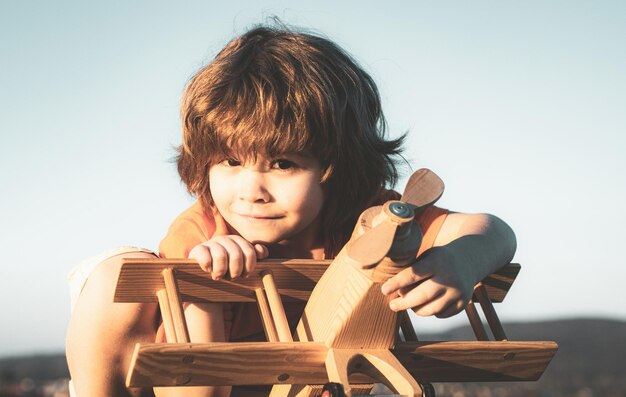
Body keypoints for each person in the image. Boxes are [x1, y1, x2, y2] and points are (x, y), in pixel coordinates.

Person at [65, 24, 516, 397]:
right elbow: (190, 366)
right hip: (184, 381)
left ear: (338, 167)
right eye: (230, 161)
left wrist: (462, 259)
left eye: (283, 163)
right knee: (120, 275)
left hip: (294, 378)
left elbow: (492, 231)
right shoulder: (205, 226)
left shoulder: (368, 218)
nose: (251, 190)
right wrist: (207, 264)